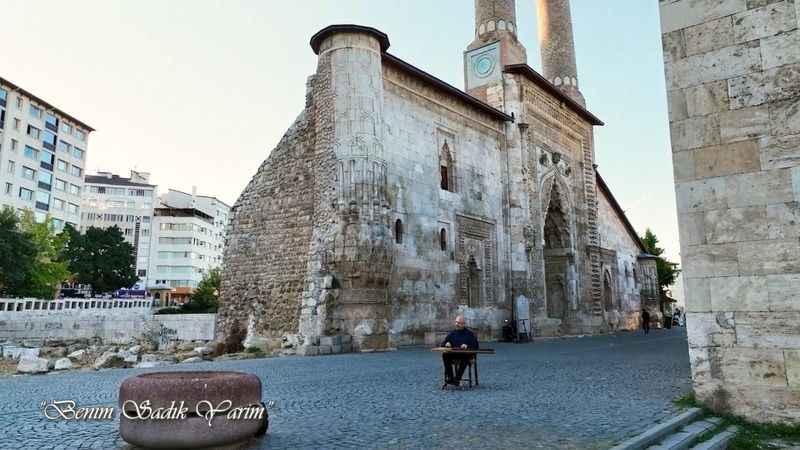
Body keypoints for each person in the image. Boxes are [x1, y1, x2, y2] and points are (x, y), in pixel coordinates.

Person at [441, 315, 479, 385]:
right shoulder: (452, 333)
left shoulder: (469, 334)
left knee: (466, 357)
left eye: (458, 323)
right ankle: (450, 378)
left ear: (463, 324)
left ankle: (457, 379)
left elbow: (475, 345)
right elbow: (443, 343)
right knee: (445, 355)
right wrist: (446, 343)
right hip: (454, 354)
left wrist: (467, 346)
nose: (456, 324)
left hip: (465, 355)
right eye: (456, 322)